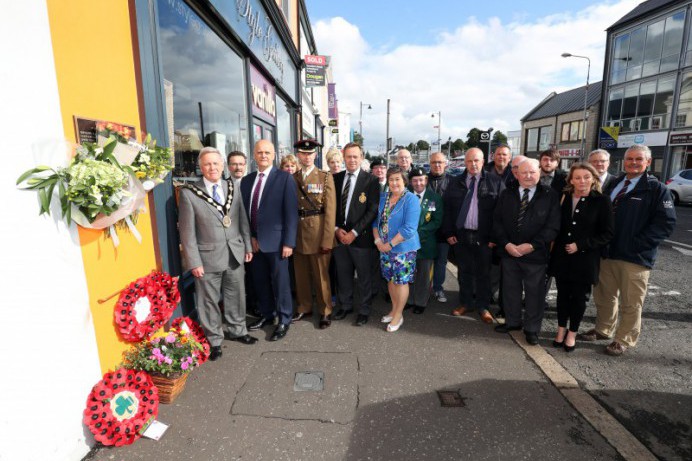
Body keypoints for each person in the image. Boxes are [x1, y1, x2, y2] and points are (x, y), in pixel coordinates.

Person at [580, 144, 676, 356]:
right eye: (629, 159)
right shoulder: (613, 183)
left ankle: (624, 338)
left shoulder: (657, 189)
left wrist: (638, 244)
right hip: (606, 252)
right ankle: (604, 329)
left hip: (634, 256)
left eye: (638, 159)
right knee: (604, 295)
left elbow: (665, 223)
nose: (633, 162)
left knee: (631, 302)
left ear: (648, 162)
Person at [178, 147, 256, 361]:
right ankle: (214, 340)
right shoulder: (189, 193)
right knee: (209, 300)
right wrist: (193, 261)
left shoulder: (232, 187)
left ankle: (237, 329)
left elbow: (242, 220)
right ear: (201, 167)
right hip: (207, 257)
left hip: (235, 253)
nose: (212, 167)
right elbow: (187, 232)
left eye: (216, 163)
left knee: (236, 295)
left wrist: (247, 246)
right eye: (207, 164)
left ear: (223, 165)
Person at [493, 158, 560, 345]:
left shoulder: (550, 195)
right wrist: (506, 244)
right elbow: (497, 222)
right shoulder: (507, 194)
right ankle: (513, 322)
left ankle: (532, 329)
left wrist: (532, 245)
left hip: (535, 255)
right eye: (524, 172)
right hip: (510, 253)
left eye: (532, 172)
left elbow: (553, 226)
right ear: (517, 173)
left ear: (539, 173)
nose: (528, 176)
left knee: (534, 294)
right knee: (511, 291)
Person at [549, 163, 614, 352]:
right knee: (562, 296)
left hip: (585, 260)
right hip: (562, 257)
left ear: (594, 178)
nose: (582, 181)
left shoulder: (602, 201)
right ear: (571, 180)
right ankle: (560, 330)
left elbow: (607, 234)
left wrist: (581, 245)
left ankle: (572, 334)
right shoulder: (564, 197)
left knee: (579, 298)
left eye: (586, 177)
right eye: (577, 177)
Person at [241, 140, 298, 341]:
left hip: (278, 243)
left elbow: (291, 214)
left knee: (280, 283)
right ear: (254, 155)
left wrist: (289, 243)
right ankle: (267, 314)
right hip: (255, 243)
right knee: (260, 281)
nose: (263, 155)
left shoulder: (284, 178)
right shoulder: (247, 181)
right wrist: (250, 238)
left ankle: (284, 319)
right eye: (259, 152)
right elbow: (244, 214)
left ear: (274, 155)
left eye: (267, 152)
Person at [442, 148, 504, 324]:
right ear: (465, 163)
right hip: (461, 235)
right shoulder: (455, 182)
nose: (473, 164)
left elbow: (501, 213)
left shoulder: (495, 181)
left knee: (484, 273)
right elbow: (447, 209)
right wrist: (449, 232)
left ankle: (483, 307)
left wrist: (495, 237)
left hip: (485, 237)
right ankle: (466, 303)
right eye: (469, 161)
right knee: (464, 272)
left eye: (476, 160)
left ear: (483, 161)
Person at [332, 143, 380, 326]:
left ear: (361, 158)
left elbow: (372, 209)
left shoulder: (371, 180)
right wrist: (336, 229)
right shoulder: (335, 178)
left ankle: (364, 309)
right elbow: (330, 208)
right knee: (343, 275)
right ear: (344, 157)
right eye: (348, 156)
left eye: (355, 157)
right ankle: (345, 306)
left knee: (364, 277)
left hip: (361, 238)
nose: (352, 160)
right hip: (339, 236)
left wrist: (354, 232)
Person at [291, 139, 337, 329]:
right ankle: (304, 306)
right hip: (297, 232)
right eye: (303, 153)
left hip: (318, 232)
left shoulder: (325, 177)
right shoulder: (293, 178)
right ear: (298, 156)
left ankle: (325, 311)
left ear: (315, 155)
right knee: (300, 275)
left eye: (310, 154)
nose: (307, 157)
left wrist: (327, 239)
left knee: (321, 275)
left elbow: (331, 210)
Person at [373, 167, 421, 331]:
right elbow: (376, 222)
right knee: (391, 279)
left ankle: (399, 315)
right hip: (384, 247)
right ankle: (394, 310)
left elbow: (409, 228)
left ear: (404, 181)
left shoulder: (411, 199)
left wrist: (390, 244)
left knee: (401, 282)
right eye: (391, 179)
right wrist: (378, 240)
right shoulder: (383, 197)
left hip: (403, 249)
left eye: (397, 179)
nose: (394, 182)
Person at [406, 167, 443, 314]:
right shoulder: (405, 196)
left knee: (423, 275)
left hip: (425, 243)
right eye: (415, 180)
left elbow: (436, 221)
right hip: (406, 243)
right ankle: (408, 300)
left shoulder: (434, 198)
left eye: (421, 180)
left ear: (426, 180)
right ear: (410, 182)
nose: (418, 183)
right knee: (408, 273)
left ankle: (420, 302)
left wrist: (419, 233)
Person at [428, 152, 451, 303]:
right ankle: (422, 289)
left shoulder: (453, 182)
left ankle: (438, 288)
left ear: (445, 164)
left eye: (440, 162)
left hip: (444, 231)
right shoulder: (422, 180)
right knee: (424, 262)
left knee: (441, 262)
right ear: (430, 164)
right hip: (426, 230)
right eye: (434, 162)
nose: (437, 165)